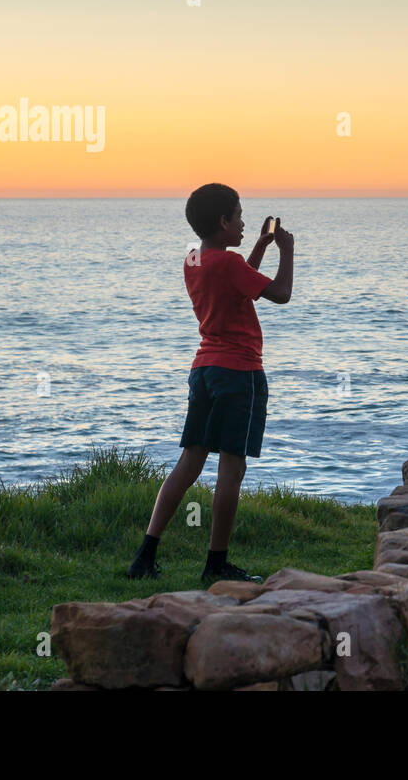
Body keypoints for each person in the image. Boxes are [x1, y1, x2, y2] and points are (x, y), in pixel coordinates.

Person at [126, 183, 294, 582]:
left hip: (203, 372)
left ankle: (145, 555)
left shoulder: (194, 259)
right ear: (222, 221)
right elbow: (281, 294)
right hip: (240, 373)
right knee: (230, 471)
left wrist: (258, 247)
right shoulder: (230, 265)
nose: (243, 222)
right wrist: (286, 250)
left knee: (189, 463)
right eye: (238, 215)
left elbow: (239, 285)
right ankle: (216, 564)